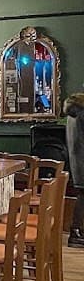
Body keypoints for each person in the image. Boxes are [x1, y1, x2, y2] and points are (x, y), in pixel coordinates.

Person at [64, 91, 84, 247]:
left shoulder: (73, 112)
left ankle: (77, 231)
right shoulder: (81, 112)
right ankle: (75, 232)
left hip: (77, 160)